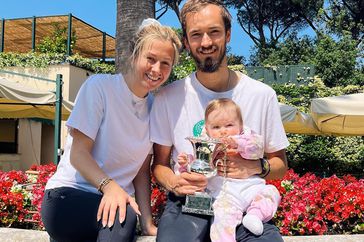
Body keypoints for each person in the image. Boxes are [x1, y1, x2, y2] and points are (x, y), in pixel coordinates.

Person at [150, 0, 289, 241]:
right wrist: (175, 183)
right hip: (189, 203)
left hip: (244, 203)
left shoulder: (262, 95)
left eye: (214, 32)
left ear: (228, 34)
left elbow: (280, 165)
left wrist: (256, 167)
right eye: (196, 35)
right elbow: (159, 165)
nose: (206, 42)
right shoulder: (168, 97)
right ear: (186, 41)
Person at [41, 18, 181, 242]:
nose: (157, 69)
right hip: (68, 195)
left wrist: (147, 222)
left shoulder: (156, 107)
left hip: (117, 205)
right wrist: (110, 187)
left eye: (166, 63)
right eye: (151, 59)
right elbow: (78, 154)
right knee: (121, 216)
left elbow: (142, 171)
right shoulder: (99, 87)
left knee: (124, 217)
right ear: (134, 55)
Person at [177, 98, 281, 241]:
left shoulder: (248, 138)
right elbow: (199, 164)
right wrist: (186, 162)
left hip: (251, 188)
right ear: (207, 129)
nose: (223, 131)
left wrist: (237, 143)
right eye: (216, 127)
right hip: (225, 195)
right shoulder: (207, 144)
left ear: (240, 125)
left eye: (229, 125)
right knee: (222, 219)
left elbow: (256, 149)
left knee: (271, 192)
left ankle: (255, 215)